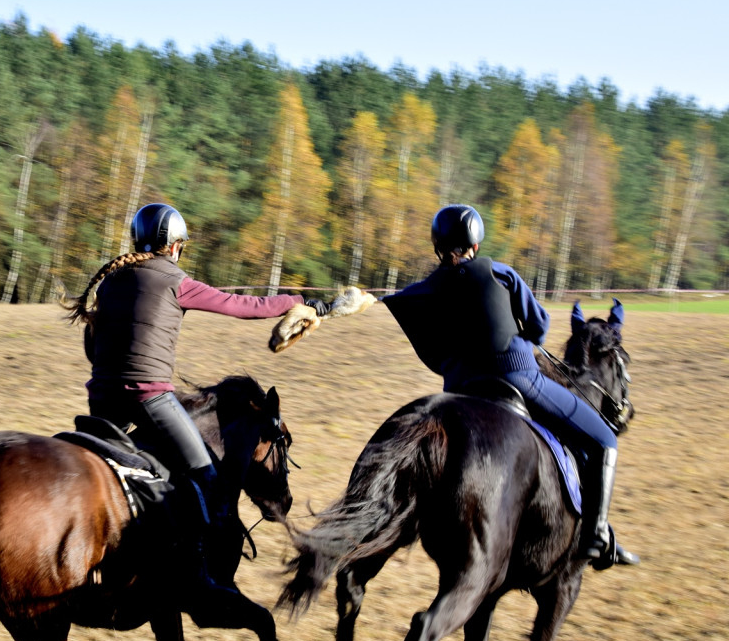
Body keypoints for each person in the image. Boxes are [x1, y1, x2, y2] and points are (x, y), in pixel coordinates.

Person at [65, 202, 328, 593]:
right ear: (175, 246)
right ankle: (197, 574)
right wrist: (295, 302)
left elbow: (94, 345)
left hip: (101, 403)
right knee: (206, 474)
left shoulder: (110, 282)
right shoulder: (176, 281)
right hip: (149, 399)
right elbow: (244, 306)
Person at [382, 204, 637, 569]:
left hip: (459, 390)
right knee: (603, 441)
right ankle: (596, 535)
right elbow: (539, 328)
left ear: (438, 244)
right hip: (517, 377)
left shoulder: (424, 289)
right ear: (476, 240)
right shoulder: (500, 273)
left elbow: (412, 325)